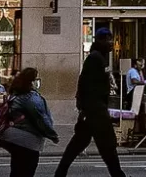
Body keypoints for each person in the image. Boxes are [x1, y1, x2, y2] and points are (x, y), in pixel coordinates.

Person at [52, 25, 128, 177]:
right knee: (107, 145)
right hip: (96, 110)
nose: (111, 43)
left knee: (78, 144)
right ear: (100, 40)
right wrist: (88, 107)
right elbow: (85, 83)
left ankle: (60, 173)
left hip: (92, 110)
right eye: (108, 39)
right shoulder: (95, 58)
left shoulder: (98, 58)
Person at [0, 67, 59, 177]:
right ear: (32, 81)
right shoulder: (30, 97)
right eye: (36, 79)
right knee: (28, 169)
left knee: (17, 169)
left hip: (12, 137)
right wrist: (52, 134)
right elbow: (41, 118)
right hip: (26, 139)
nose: (38, 82)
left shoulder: (16, 94)